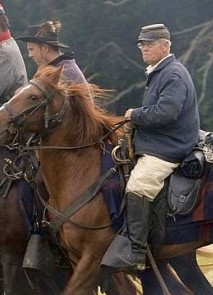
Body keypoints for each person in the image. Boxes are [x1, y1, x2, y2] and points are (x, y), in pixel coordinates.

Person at [100, 23, 200, 271]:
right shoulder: (160, 71)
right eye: (141, 43)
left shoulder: (172, 74)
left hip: (170, 147)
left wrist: (135, 114)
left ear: (165, 46)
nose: (143, 47)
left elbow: (167, 112)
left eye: (149, 43)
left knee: (138, 186)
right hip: (158, 142)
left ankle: (136, 253)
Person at [15, 20, 88, 84]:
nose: (30, 55)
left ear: (45, 48)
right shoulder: (62, 66)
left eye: (31, 49)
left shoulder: (63, 73)